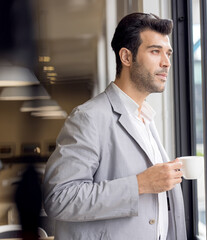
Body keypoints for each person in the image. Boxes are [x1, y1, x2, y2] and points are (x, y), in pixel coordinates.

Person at [43, 13, 186, 240]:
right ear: (126, 57)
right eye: (155, 51)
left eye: (168, 53)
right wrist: (139, 184)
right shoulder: (88, 118)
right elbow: (60, 198)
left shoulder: (146, 118)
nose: (166, 62)